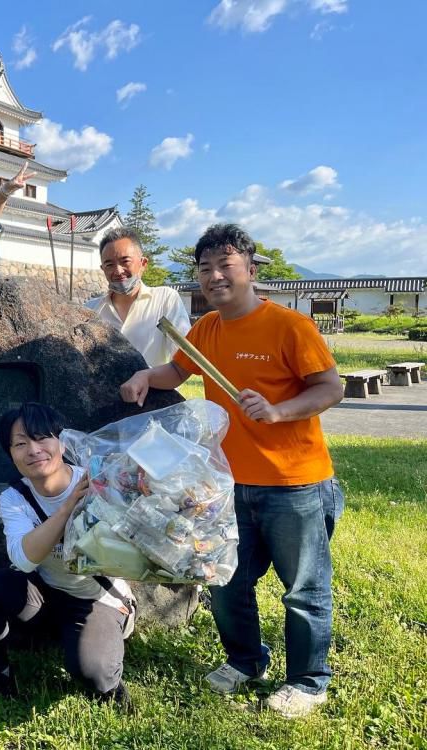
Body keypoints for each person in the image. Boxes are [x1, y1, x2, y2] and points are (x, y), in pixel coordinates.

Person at [119, 223, 344, 719]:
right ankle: (246, 661)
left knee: (304, 588)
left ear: (250, 267)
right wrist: (142, 374)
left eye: (226, 265)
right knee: (225, 580)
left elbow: (331, 387)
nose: (215, 276)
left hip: (296, 483)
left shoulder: (289, 326)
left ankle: (309, 682)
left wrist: (280, 410)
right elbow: (176, 372)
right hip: (229, 484)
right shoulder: (206, 329)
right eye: (205, 269)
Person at [0, 403, 135, 710]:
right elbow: (24, 560)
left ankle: (104, 658)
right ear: (11, 454)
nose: (34, 449)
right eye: (20, 443)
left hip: (96, 599)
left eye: (42, 438)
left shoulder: (99, 482)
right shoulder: (15, 497)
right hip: (44, 594)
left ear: (63, 443)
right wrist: (67, 509)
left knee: (94, 675)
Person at [86, 227, 190, 367]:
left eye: (125, 261)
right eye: (109, 264)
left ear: (143, 263)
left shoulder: (166, 299)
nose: (118, 271)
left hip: (155, 388)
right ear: (103, 269)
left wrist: (147, 379)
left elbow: (183, 359)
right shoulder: (90, 309)